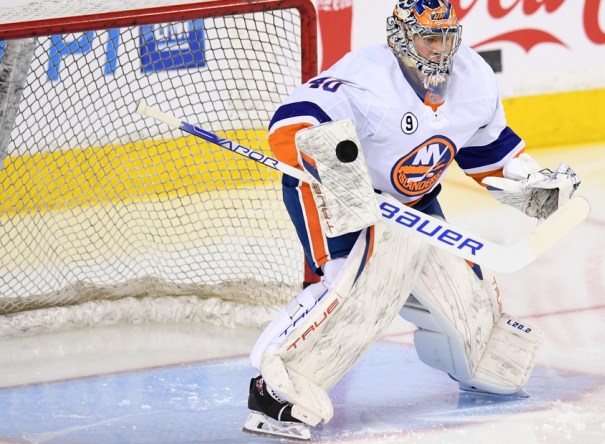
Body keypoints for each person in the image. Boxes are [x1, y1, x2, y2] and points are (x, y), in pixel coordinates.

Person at [243, 0, 580, 439]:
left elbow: (488, 152)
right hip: (340, 196)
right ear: (401, 40)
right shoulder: (364, 80)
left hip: (414, 203)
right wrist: (337, 169)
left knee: (466, 295)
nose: (440, 50)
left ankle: (476, 361)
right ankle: (276, 392)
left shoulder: (473, 78)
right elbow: (290, 125)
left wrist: (529, 181)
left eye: (447, 38)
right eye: (428, 38)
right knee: (357, 288)